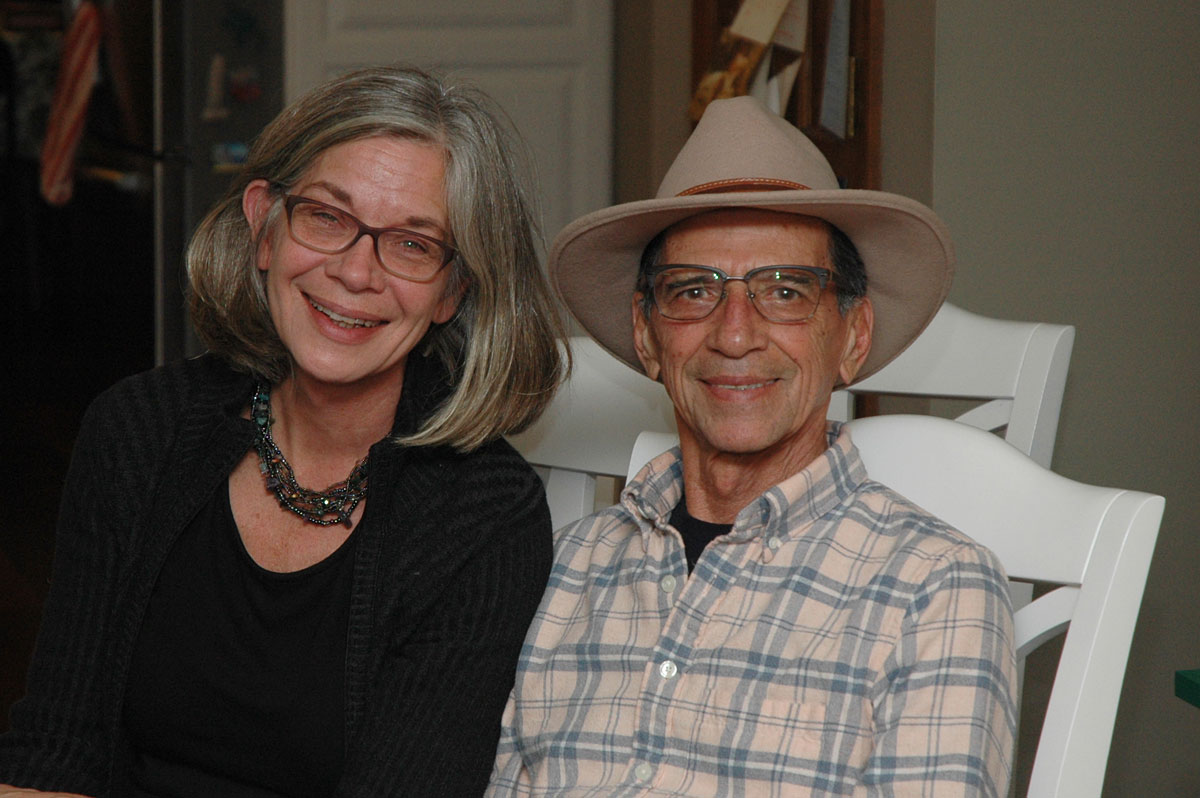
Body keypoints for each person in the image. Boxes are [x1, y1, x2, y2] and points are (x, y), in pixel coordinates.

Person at [1, 64, 565, 797]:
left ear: (451, 293)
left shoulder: (484, 513)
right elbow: (54, 749)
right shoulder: (140, 429)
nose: (356, 273)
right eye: (326, 217)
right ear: (265, 226)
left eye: (413, 245)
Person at [488, 96, 1017, 797]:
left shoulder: (937, 589)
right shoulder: (566, 570)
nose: (735, 334)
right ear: (647, 336)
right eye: (693, 291)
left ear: (853, 337)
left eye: (787, 291)